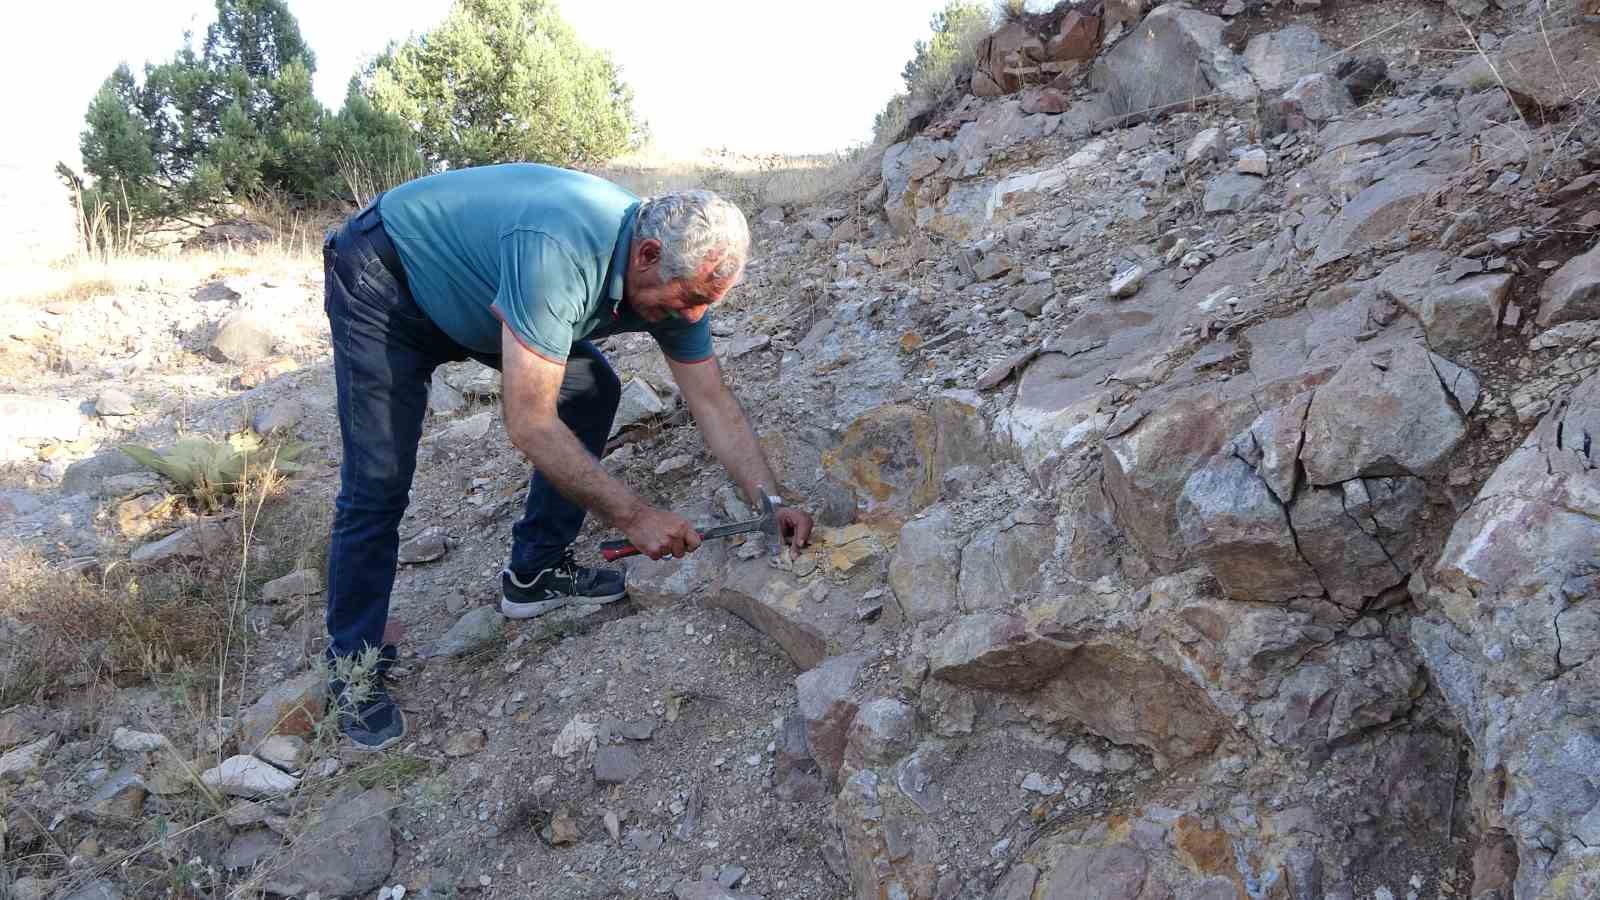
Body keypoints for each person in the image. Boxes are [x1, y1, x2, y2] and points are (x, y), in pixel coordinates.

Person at [320, 163, 814, 750]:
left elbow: (709, 399)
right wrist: (635, 516)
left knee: (593, 391)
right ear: (648, 254)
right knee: (378, 483)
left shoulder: (678, 282)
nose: (691, 319)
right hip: (386, 279)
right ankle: (351, 668)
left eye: (705, 305)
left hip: (479, 298)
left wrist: (770, 498)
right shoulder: (560, 254)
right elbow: (528, 423)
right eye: (686, 302)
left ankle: (534, 574)